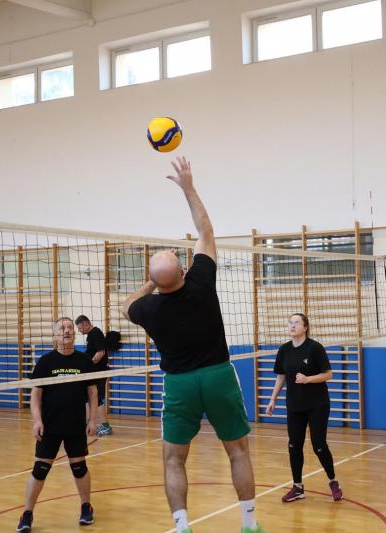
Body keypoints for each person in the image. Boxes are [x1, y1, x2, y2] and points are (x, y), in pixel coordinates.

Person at [123, 157, 264, 533]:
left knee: (173, 460)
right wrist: (188, 187)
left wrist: (151, 284)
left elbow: (126, 306)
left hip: (179, 384)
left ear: (155, 281)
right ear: (184, 270)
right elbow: (206, 230)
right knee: (237, 451)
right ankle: (249, 524)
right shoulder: (202, 281)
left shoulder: (148, 309)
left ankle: (182, 525)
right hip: (218, 376)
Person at [17, 317, 98, 533]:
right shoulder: (46, 362)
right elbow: (36, 394)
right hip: (50, 425)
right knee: (40, 470)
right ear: (55, 335)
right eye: (62, 328)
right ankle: (27, 514)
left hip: (75, 425)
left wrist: (92, 419)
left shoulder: (84, 361)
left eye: (70, 327)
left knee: (79, 468)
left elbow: (92, 392)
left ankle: (86, 507)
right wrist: (37, 420)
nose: (67, 331)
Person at [266, 313, 343, 503]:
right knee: (294, 445)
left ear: (305, 327)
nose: (292, 326)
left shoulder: (315, 348)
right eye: (290, 322)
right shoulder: (284, 350)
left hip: (317, 404)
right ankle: (298, 487)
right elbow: (281, 376)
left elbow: (328, 374)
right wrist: (272, 399)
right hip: (294, 405)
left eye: (296, 323)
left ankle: (333, 481)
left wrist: (308, 379)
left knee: (319, 445)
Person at [75, 315, 113, 436]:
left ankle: (106, 426)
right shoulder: (91, 335)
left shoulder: (96, 333)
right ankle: (89, 422)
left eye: (80, 328)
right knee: (89, 397)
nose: (79, 331)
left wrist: (89, 365)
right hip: (94, 372)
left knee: (98, 398)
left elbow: (101, 352)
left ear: (85, 324)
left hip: (99, 372)